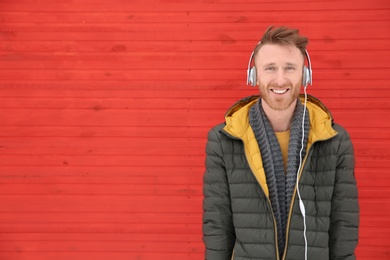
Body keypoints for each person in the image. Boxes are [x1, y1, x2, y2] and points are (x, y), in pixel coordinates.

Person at [202, 26, 359, 260]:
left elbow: (343, 227)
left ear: (305, 75)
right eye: (270, 68)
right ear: (254, 75)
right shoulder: (224, 139)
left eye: (290, 68)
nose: (280, 79)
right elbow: (217, 226)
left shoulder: (334, 140)